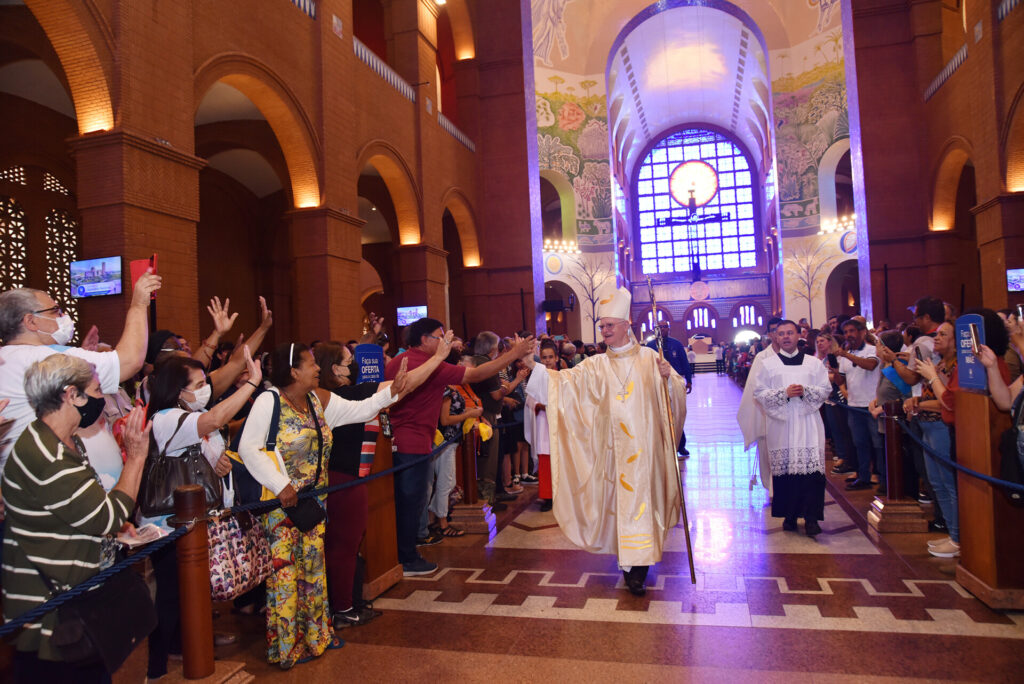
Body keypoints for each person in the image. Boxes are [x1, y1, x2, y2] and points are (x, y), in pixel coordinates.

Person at [238, 342, 415, 669]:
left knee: (313, 572)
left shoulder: (316, 400)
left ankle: (316, 636)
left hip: (313, 503)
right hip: (282, 508)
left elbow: (360, 410)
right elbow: (249, 449)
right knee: (286, 576)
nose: (317, 368)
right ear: (293, 371)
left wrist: (394, 393)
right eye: (310, 364)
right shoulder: (269, 401)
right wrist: (281, 486)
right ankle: (287, 647)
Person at [522, 287, 685, 596]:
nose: (605, 330)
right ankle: (628, 561)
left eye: (610, 325)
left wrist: (669, 379)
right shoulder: (596, 365)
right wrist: (534, 368)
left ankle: (639, 567)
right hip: (612, 452)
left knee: (642, 505)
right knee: (619, 505)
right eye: (602, 326)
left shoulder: (651, 359)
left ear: (626, 325)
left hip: (645, 450)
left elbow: (675, 397)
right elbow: (564, 384)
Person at [2, 355, 151, 683]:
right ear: (71, 395)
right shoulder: (48, 456)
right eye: (96, 390)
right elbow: (106, 516)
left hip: (79, 600)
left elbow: (84, 509)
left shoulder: (65, 442)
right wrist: (137, 456)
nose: (101, 400)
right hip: (53, 615)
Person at [142, 351, 263, 679]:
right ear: (178, 390)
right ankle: (156, 668)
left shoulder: (189, 412)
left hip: (194, 519)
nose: (205, 389)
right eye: (198, 385)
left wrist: (218, 465)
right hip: (168, 525)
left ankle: (191, 646)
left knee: (190, 590)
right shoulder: (168, 417)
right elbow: (213, 421)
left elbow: (201, 458)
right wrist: (251, 382)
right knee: (169, 595)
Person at [386, 319, 533, 577]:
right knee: (412, 500)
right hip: (414, 442)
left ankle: (404, 551)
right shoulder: (429, 365)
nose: (444, 341)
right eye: (439, 336)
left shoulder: (399, 361)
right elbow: (477, 374)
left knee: (406, 500)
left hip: (404, 440)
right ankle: (407, 557)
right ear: (424, 340)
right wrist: (514, 355)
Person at [0, 272, 160, 469]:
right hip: (55, 481)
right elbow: (129, 362)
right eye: (55, 311)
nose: (63, 317)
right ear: (31, 322)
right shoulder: (47, 357)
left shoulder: (8, 358)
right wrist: (138, 304)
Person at [750, 321, 831, 536]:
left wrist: (805, 391)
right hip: (782, 425)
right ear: (775, 338)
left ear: (798, 336)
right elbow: (759, 393)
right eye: (781, 334)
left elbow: (825, 389)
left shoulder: (814, 364)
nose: (786, 337)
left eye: (790, 333)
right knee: (786, 472)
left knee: (811, 472)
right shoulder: (768, 365)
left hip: (808, 423)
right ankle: (790, 516)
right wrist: (784, 393)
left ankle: (812, 518)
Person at [905, 321, 958, 557]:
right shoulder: (940, 365)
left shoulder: (955, 368)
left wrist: (922, 402)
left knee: (948, 483)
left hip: (941, 427)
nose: (936, 338)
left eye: (943, 335)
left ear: (956, 343)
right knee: (936, 483)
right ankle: (952, 533)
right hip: (927, 425)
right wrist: (918, 401)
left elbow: (949, 401)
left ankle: (959, 537)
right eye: (936, 334)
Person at [834, 318, 881, 490]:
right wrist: (834, 374)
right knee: (860, 442)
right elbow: (842, 378)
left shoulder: (872, 350)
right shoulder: (845, 355)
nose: (848, 335)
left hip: (871, 404)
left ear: (862, 332)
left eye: (852, 331)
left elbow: (870, 365)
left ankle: (883, 478)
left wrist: (846, 355)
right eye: (846, 332)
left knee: (877, 443)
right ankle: (863, 477)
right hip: (853, 404)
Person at [737, 317, 783, 494]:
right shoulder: (762, 357)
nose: (778, 335)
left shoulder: (797, 356)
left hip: (791, 414)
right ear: (770, 334)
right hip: (767, 414)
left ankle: (786, 490)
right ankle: (772, 490)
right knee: (767, 456)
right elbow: (753, 388)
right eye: (774, 331)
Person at [647, 320, 692, 457]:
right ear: (656, 330)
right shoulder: (650, 346)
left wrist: (689, 380)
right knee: (660, 413)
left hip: (675, 381)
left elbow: (685, 362)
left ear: (669, 329)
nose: (663, 329)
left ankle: (680, 445)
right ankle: (661, 446)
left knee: (676, 412)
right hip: (657, 382)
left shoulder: (676, 344)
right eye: (660, 327)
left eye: (665, 326)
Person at [525, 339, 559, 512]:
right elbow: (530, 400)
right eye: (544, 357)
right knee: (546, 462)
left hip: (559, 426)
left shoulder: (563, 376)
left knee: (560, 463)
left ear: (556, 358)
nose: (547, 360)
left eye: (550, 357)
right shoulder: (537, 376)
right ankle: (547, 497)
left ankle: (561, 496)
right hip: (543, 424)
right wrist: (541, 405)